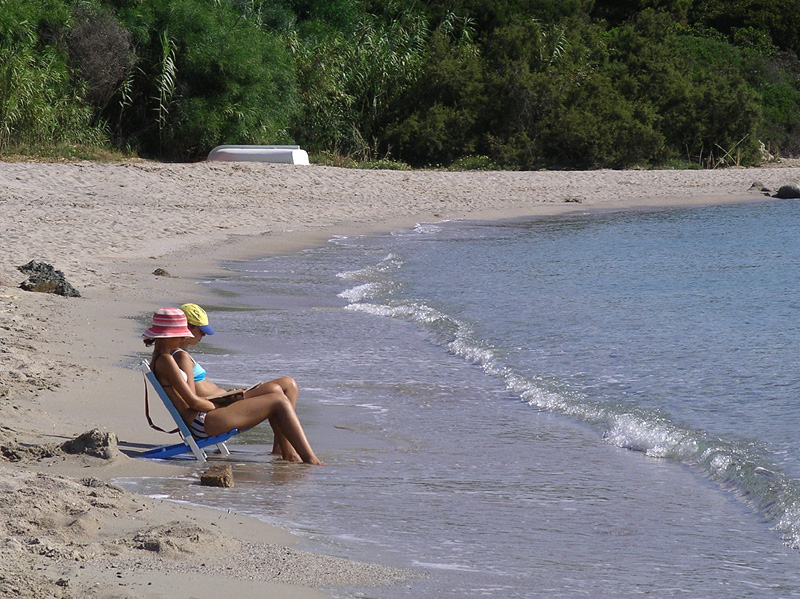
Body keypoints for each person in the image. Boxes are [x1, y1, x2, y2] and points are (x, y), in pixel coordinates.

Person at [143, 307, 322, 465]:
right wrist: (222, 403)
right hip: (202, 423)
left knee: (276, 397)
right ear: (169, 335)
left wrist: (225, 400)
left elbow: (191, 398)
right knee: (278, 401)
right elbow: (193, 402)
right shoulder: (167, 360)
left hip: (201, 419)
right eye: (182, 334)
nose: (184, 337)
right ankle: (310, 460)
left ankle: (291, 454)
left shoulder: (161, 357)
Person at [177, 303, 302, 457]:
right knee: (280, 389)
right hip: (219, 405)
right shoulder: (179, 357)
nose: (204, 335)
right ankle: (286, 450)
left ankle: (283, 448)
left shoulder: (181, 354)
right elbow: (190, 397)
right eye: (201, 331)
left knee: (288, 384)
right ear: (188, 327)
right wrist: (224, 399)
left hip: (223, 400)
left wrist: (228, 394)